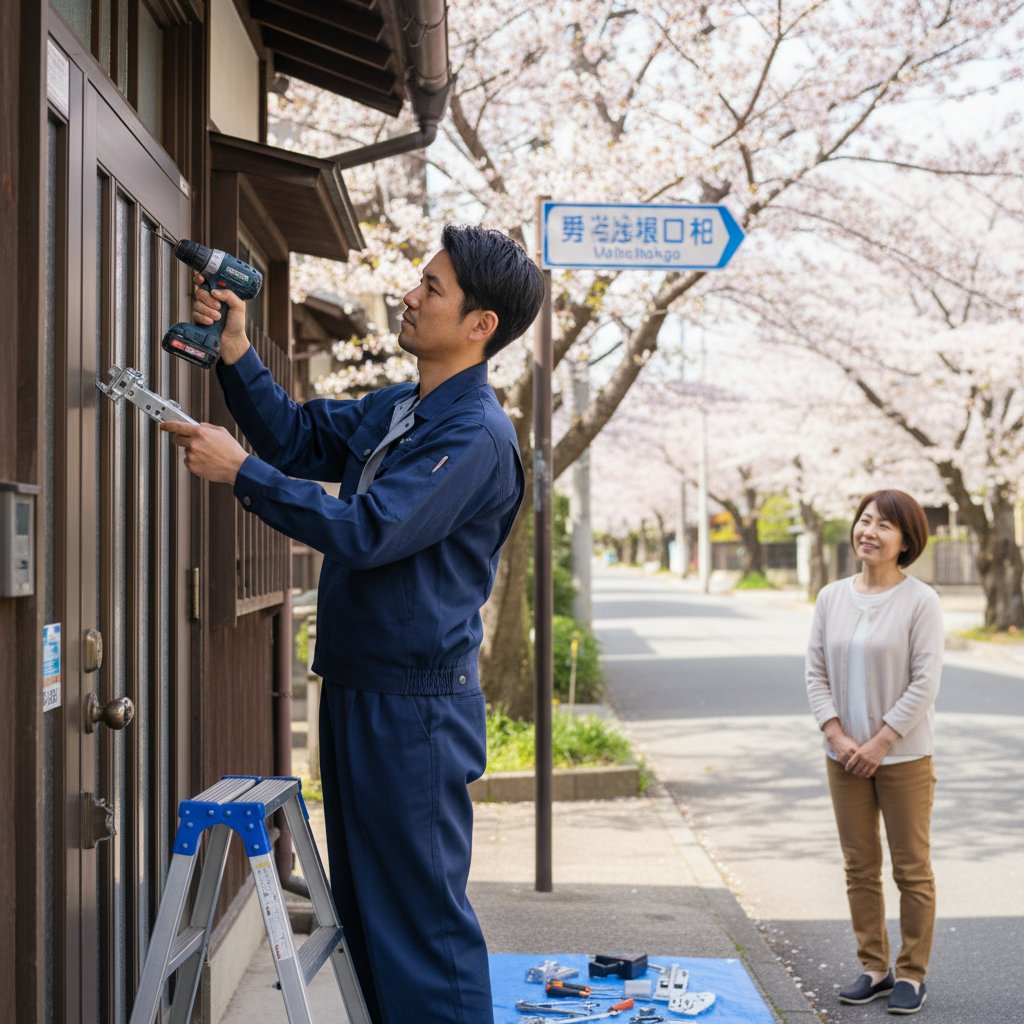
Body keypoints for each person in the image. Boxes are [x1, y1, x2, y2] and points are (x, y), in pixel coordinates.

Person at [161, 224, 545, 1024]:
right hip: (363, 687)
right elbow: (300, 437)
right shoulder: (407, 407)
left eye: (431, 288)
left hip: (417, 709)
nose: (409, 295)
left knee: (421, 929)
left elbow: (370, 530)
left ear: (481, 326)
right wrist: (236, 351)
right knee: (372, 921)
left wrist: (242, 473)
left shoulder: (473, 433)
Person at [805, 490, 943, 1016]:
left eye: (884, 525)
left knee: (912, 868)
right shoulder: (831, 597)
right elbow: (816, 673)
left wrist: (882, 740)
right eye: (865, 521)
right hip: (843, 758)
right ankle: (874, 968)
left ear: (906, 541)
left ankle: (912, 973)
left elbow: (925, 681)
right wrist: (838, 736)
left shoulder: (920, 601)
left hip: (904, 757)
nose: (870, 531)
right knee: (859, 865)